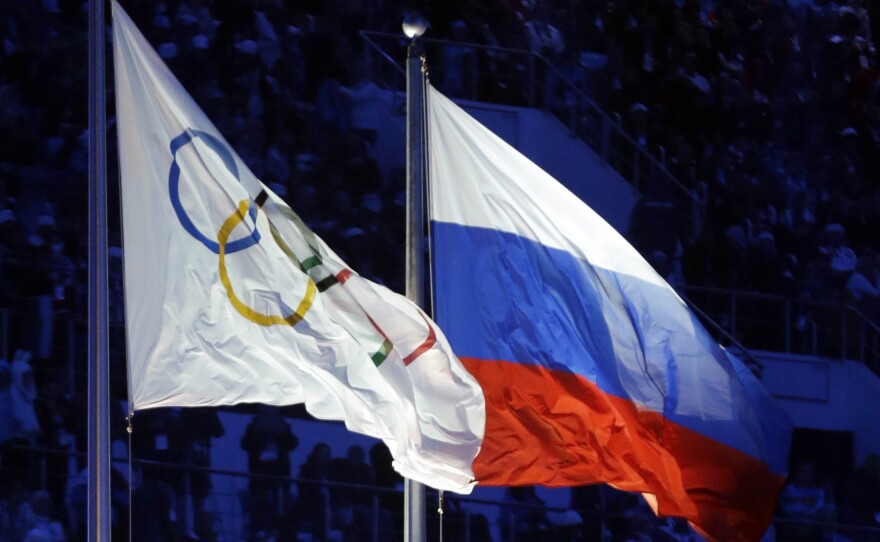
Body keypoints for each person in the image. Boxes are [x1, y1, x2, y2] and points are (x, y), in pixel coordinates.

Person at [240, 407, 298, 539]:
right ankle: (257, 533)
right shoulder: (253, 428)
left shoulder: (284, 427)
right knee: (258, 510)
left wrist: (281, 433)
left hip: (280, 478)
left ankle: (279, 534)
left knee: (281, 511)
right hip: (259, 477)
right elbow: (245, 444)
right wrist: (259, 434)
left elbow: (293, 443)